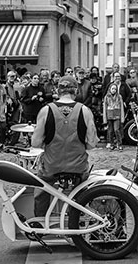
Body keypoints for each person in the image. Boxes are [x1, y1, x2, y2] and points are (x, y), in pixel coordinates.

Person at [30, 75, 98, 217]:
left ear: (58, 90)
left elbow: (35, 143)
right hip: (78, 165)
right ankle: (78, 216)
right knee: (82, 187)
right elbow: (92, 143)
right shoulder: (84, 110)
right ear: (76, 90)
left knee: (41, 188)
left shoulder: (46, 110)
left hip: (52, 164)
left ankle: (41, 222)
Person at [102, 82, 125, 150]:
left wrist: (122, 117)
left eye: (115, 89)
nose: (114, 90)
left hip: (117, 115)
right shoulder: (106, 97)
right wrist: (105, 119)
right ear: (110, 89)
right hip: (109, 116)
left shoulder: (119, 96)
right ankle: (111, 144)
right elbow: (104, 108)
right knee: (110, 131)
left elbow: (121, 107)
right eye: (112, 89)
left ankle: (119, 143)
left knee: (116, 130)